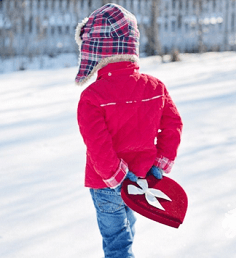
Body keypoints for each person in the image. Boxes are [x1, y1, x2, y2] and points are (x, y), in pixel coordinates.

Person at [75, 4, 183, 258]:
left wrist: (116, 174)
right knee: (127, 231)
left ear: (96, 50)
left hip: (106, 182)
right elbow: (173, 126)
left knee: (117, 242)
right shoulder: (155, 87)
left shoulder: (92, 97)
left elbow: (97, 144)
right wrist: (158, 164)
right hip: (140, 178)